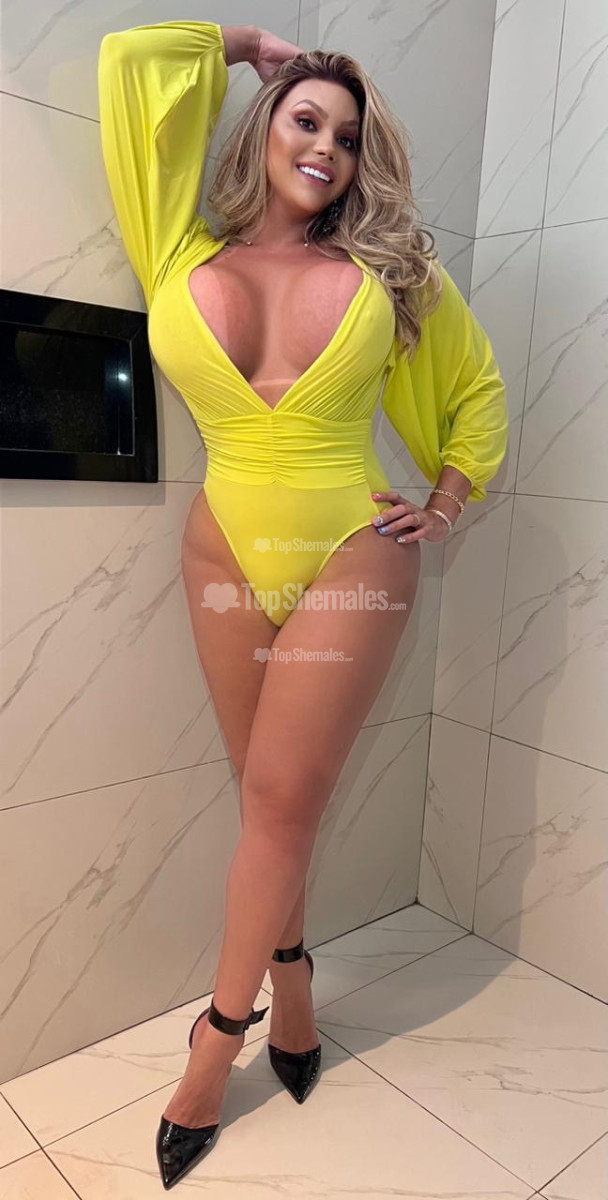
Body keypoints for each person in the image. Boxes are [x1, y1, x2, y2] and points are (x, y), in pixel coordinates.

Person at [98, 20, 508, 1189]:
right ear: (265, 130)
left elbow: (474, 386)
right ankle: (292, 982)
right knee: (264, 799)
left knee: (282, 800)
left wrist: (445, 499)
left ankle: (211, 1042)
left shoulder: (390, 271)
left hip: (349, 551)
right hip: (223, 548)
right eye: (306, 119)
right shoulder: (178, 246)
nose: (325, 145)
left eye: (347, 134)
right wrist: (243, 43)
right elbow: (130, 69)